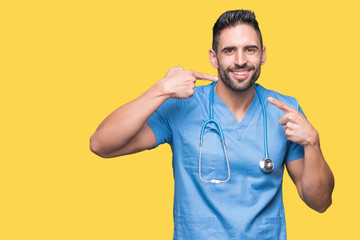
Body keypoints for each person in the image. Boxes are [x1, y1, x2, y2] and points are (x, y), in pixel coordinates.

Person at [90, 9, 334, 240]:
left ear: (263, 54)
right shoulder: (182, 105)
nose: (240, 61)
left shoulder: (284, 110)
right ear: (213, 58)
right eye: (229, 51)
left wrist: (313, 143)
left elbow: (320, 202)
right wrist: (161, 89)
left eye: (250, 50)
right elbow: (101, 144)